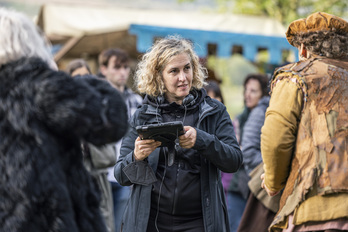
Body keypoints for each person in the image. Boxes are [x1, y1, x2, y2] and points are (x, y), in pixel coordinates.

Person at [0, 8, 128, 232]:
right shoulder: (43, 85)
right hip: (52, 219)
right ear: (29, 42)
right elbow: (110, 122)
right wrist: (90, 82)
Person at [114, 35, 243, 232]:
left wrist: (202, 140)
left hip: (200, 223)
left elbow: (234, 161)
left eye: (187, 68)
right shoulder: (143, 115)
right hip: (151, 222)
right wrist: (136, 156)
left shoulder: (214, 111)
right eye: (174, 71)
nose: (183, 77)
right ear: (159, 76)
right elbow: (120, 175)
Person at [261, 12, 348, 232]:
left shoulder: (297, 75)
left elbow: (276, 139)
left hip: (316, 209)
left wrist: (273, 182)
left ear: (303, 49)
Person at [66, 58, 117, 232]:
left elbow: (111, 156)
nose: (82, 81)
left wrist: (87, 147)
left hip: (98, 185)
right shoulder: (62, 112)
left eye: (86, 76)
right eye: (77, 77)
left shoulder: (100, 111)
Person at [98, 48, 143, 232]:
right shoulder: (96, 99)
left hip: (126, 173)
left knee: (120, 227)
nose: (123, 72)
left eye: (125, 67)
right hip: (100, 172)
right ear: (103, 69)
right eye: (117, 67)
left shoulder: (137, 101)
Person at [224, 73, 270, 232]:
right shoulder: (244, 116)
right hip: (239, 184)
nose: (247, 95)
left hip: (251, 184)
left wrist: (265, 169)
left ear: (263, 93)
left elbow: (247, 150)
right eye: (246, 90)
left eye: (253, 91)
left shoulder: (260, 113)